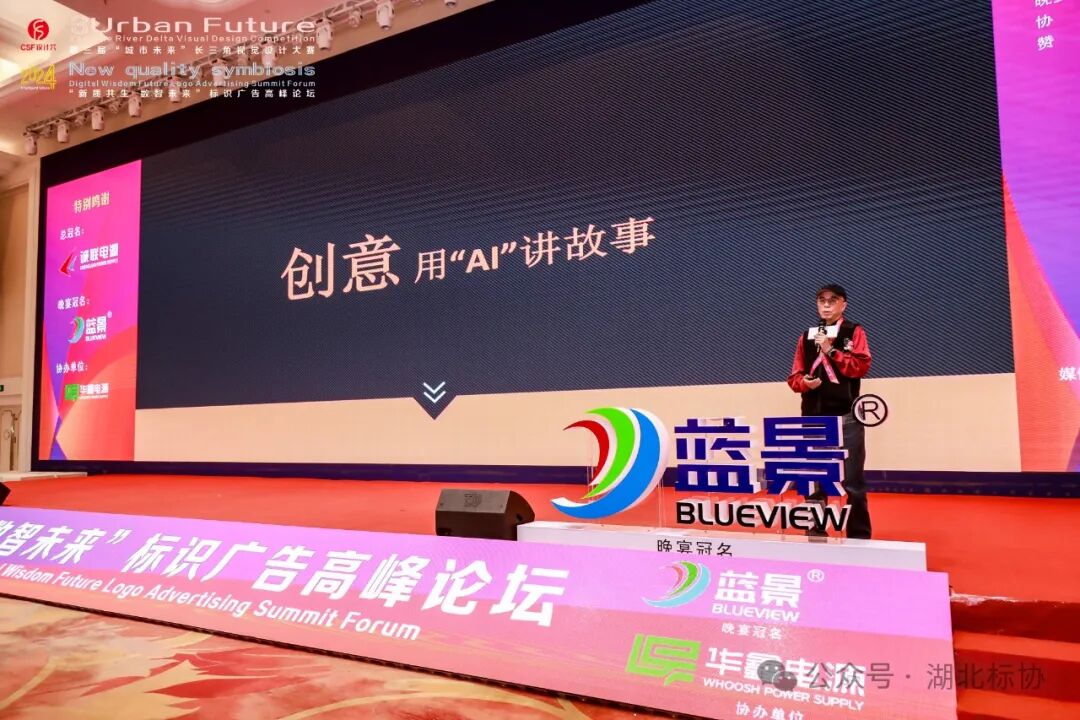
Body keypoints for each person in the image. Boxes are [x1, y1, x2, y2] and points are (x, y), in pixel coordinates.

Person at [786, 284, 872, 539]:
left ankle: (859, 537)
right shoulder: (807, 336)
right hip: (813, 417)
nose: (826, 305)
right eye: (821, 300)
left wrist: (831, 350)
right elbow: (794, 378)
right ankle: (815, 533)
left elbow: (860, 367)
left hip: (846, 416)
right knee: (814, 480)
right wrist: (805, 383)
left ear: (843, 304)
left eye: (832, 300)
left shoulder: (853, 331)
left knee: (853, 482)